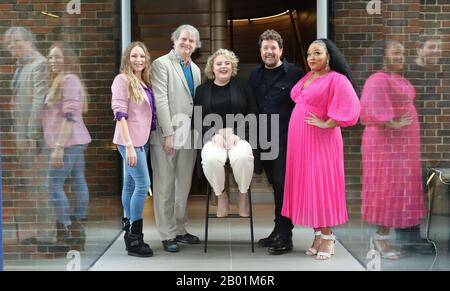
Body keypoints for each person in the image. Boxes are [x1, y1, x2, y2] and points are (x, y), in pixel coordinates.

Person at [282, 39, 360, 260]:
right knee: (308, 186)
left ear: (329, 56)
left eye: (317, 53)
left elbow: (352, 107)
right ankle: (317, 234)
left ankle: (328, 237)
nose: (311, 58)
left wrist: (327, 123)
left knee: (321, 185)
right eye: (308, 54)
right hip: (301, 142)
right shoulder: (308, 77)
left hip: (321, 141)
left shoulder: (337, 79)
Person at [360, 41, 426, 259]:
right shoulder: (377, 79)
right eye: (396, 53)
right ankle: (380, 238)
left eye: (403, 53)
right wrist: (392, 123)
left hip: (401, 147)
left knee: (397, 189)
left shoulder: (398, 79)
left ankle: (384, 237)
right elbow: (370, 110)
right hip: (384, 146)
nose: (401, 57)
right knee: (386, 188)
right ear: (384, 55)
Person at [248, 29, 305, 255]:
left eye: (273, 47)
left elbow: (305, 101)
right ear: (260, 51)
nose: (269, 52)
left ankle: (286, 235)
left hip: (286, 140)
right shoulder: (254, 75)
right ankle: (278, 229)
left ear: (281, 50)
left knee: (283, 186)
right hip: (264, 140)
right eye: (265, 48)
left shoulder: (295, 73)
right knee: (275, 185)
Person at [150, 24, 202, 252]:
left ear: (196, 45)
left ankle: (180, 229)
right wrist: (168, 133)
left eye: (191, 41)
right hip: (167, 135)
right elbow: (160, 100)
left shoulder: (197, 69)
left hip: (190, 135)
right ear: (175, 40)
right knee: (165, 185)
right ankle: (167, 233)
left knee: (184, 185)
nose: (187, 43)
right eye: (183, 39)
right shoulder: (161, 64)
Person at [194, 48, 257, 217]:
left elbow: (253, 114)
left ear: (233, 67)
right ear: (212, 68)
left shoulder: (244, 86)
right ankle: (221, 195)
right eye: (219, 63)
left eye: (227, 63)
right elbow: (197, 119)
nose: (223, 66)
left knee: (243, 157)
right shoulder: (201, 91)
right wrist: (213, 134)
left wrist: (238, 133)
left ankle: (243, 195)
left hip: (239, 136)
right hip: (212, 138)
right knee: (210, 159)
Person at [42, 42, 91, 251]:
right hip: (74, 141)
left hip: (68, 142)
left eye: (57, 57)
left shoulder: (69, 80)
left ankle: (66, 229)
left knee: (53, 184)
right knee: (77, 180)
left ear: (67, 59)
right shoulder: (61, 79)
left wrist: (59, 146)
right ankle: (77, 230)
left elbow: (70, 115)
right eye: (50, 57)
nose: (53, 60)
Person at [396, 36, 442, 254]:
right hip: (405, 144)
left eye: (439, 49)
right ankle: (407, 239)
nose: (436, 52)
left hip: (421, 142)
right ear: (419, 48)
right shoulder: (409, 74)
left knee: (417, 191)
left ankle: (412, 237)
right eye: (432, 47)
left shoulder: (432, 75)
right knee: (408, 191)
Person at [111, 41, 156, 257]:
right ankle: (135, 237)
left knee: (130, 184)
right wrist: (129, 146)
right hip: (129, 141)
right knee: (143, 185)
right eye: (134, 56)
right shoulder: (122, 80)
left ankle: (128, 226)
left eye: (142, 56)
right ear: (127, 58)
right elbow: (120, 114)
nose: (138, 60)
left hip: (142, 139)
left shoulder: (143, 80)